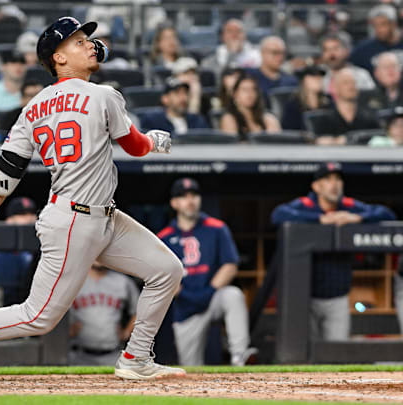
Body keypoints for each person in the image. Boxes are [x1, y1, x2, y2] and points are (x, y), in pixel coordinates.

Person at [0, 16, 185, 383]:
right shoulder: (103, 95)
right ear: (57, 57)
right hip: (75, 219)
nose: (89, 44)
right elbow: (135, 148)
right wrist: (154, 140)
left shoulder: (33, 106)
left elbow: (7, 170)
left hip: (102, 217)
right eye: (77, 42)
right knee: (38, 316)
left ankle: (136, 356)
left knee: (166, 271)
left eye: (88, 40)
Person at [271, 162, 396, 341]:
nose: (334, 184)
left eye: (338, 179)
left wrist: (357, 217)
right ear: (316, 186)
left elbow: (386, 214)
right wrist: (320, 219)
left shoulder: (348, 206)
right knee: (304, 355)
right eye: (328, 179)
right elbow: (278, 215)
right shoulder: (305, 205)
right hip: (305, 297)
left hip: (338, 296)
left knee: (337, 353)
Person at [158, 178, 257, 366]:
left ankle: (239, 354)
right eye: (183, 197)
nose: (190, 200)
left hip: (212, 297)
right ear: (174, 203)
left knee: (233, 295)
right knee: (191, 368)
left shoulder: (217, 227)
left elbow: (230, 265)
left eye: (194, 195)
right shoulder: (164, 236)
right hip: (185, 307)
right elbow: (160, 276)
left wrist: (209, 292)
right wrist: (187, 295)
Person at [68, 262, 140, 366]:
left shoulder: (122, 281)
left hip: (113, 354)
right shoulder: (73, 280)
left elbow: (141, 311)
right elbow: (53, 307)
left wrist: (127, 332)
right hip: (78, 354)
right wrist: (65, 330)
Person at [0, 197, 38, 307]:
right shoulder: (5, 252)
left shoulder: (42, 246)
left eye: (31, 214)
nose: (29, 218)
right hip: (13, 306)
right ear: (9, 221)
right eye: (22, 215)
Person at [313, 68, 380, 145]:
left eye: (353, 83)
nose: (351, 86)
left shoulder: (370, 119)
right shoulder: (323, 120)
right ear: (334, 88)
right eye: (345, 83)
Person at [138, 77, 209, 135]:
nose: (183, 98)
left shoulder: (198, 121)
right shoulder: (153, 121)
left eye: (185, 93)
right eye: (177, 93)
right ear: (165, 99)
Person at [219, 74, 281, 140]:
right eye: (245, 90)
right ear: (235, 94)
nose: (250, 93)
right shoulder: (229, 119)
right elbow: (232, 147)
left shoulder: (268, 118)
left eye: (253, 89)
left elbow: (276, 144)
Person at [350, 5, 403, 73]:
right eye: (375, 25)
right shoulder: (364, 49)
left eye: (383, 24)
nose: (378, 30)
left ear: (393, 24)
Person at [281, 65, 330, 131]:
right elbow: (289, 132)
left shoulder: (328, 102)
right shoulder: (293, 105)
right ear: (304, 80)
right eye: (314, 76)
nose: (318, 79)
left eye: (320, 76)